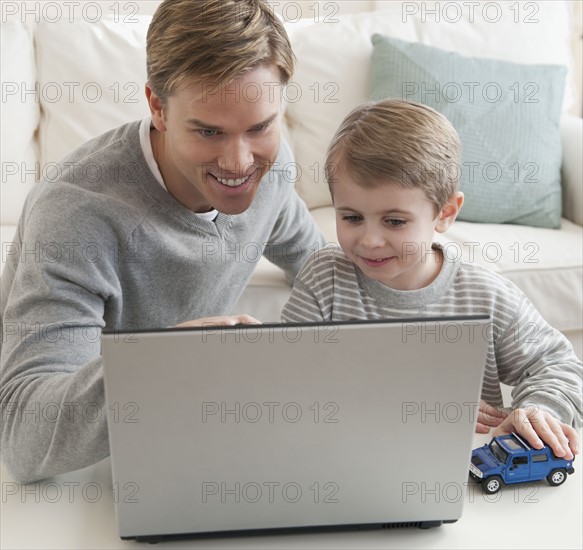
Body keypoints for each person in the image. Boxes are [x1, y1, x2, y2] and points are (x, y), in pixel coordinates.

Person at [0, 0, 325, 483]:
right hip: (111, 434)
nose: (239, 163)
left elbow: (318, 266)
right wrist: (165, 364)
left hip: (196, 425)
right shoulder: (75, 214)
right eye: (209, 131)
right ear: (157, 107)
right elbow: (25, 436)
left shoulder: (271, 166)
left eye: (259, 126)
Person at [282, 99, 582, 459]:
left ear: (445, 213)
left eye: (394, 221)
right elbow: (289, 387)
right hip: (344, 464)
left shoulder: (485, 296)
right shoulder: (323, 279)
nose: (369, 240)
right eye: (351, 217)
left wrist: (540, 411)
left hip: (462, 478)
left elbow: (560, 366)